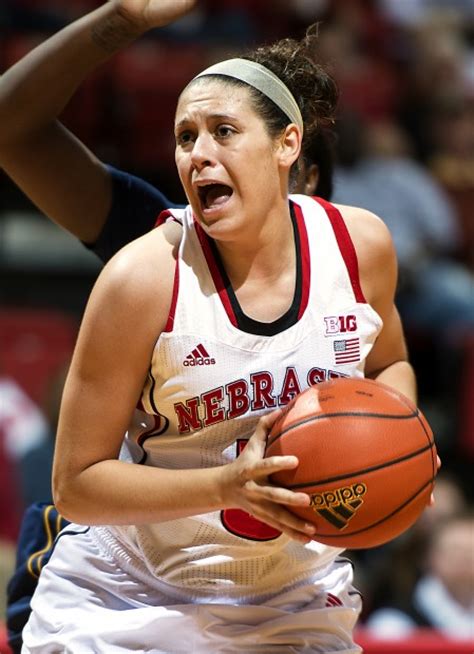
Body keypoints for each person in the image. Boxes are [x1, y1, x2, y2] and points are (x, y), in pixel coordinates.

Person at [3, 2, 418, 652]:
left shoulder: (355, 246)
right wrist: (118, 20)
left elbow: (390, 366)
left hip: (285, 591)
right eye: (186, 136)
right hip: (131, 591)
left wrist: (390, 449)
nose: (200, 155)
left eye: (226, 132)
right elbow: (76, 481)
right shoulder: (147, 258)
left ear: (293, 157)